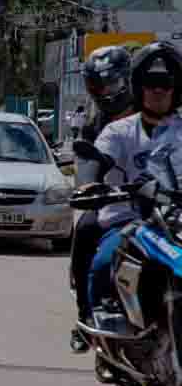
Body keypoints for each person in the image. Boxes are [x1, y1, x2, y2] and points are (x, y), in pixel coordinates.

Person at [87, 43, 182, 312]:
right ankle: (99, 316)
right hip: (130, 223)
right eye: (151, 83)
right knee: (104, 262)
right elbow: (98, 160)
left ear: (176, 88)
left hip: (176, 224)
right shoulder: (117, 131)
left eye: (166, 83)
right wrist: (90, 182)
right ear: (139, 86)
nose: (158, 90)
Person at [69, 45, 135, 353]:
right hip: (114, 201)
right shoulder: (95, 123)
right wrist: (87, 188)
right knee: (85, 230)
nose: (104, 91)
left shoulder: (156, 112)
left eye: (110, 83)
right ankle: (86, 314)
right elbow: (85, 162)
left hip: (161, 201)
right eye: (96, 85)